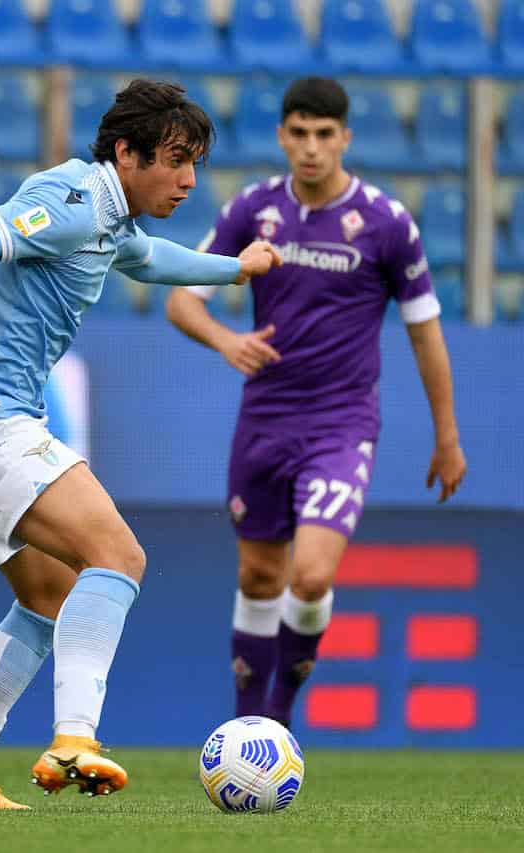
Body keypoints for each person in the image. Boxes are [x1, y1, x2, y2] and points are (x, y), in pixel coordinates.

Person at [0, 79, 281, 809]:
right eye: (174, 160)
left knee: (47, 596)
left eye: (194, 163)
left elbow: (151, 260)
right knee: (120, 555)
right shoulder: (71, 203)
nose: (188, 180)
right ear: (126, 153)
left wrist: (237, 268)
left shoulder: (110, 217)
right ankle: (76, 737)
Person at [163, 76, 467, 728]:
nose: (311, 147)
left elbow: (426, 331)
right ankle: (248, 727)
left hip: (341, 422)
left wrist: (448, 437)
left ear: (345, 139)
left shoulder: (388, 224)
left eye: (324, 135)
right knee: (258, 578)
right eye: (298, 133)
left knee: (310, 575)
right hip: (265, 419)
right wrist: (226, 340)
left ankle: (278, 712)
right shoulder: (253, 209)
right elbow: (181, 298)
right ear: (281, 136)